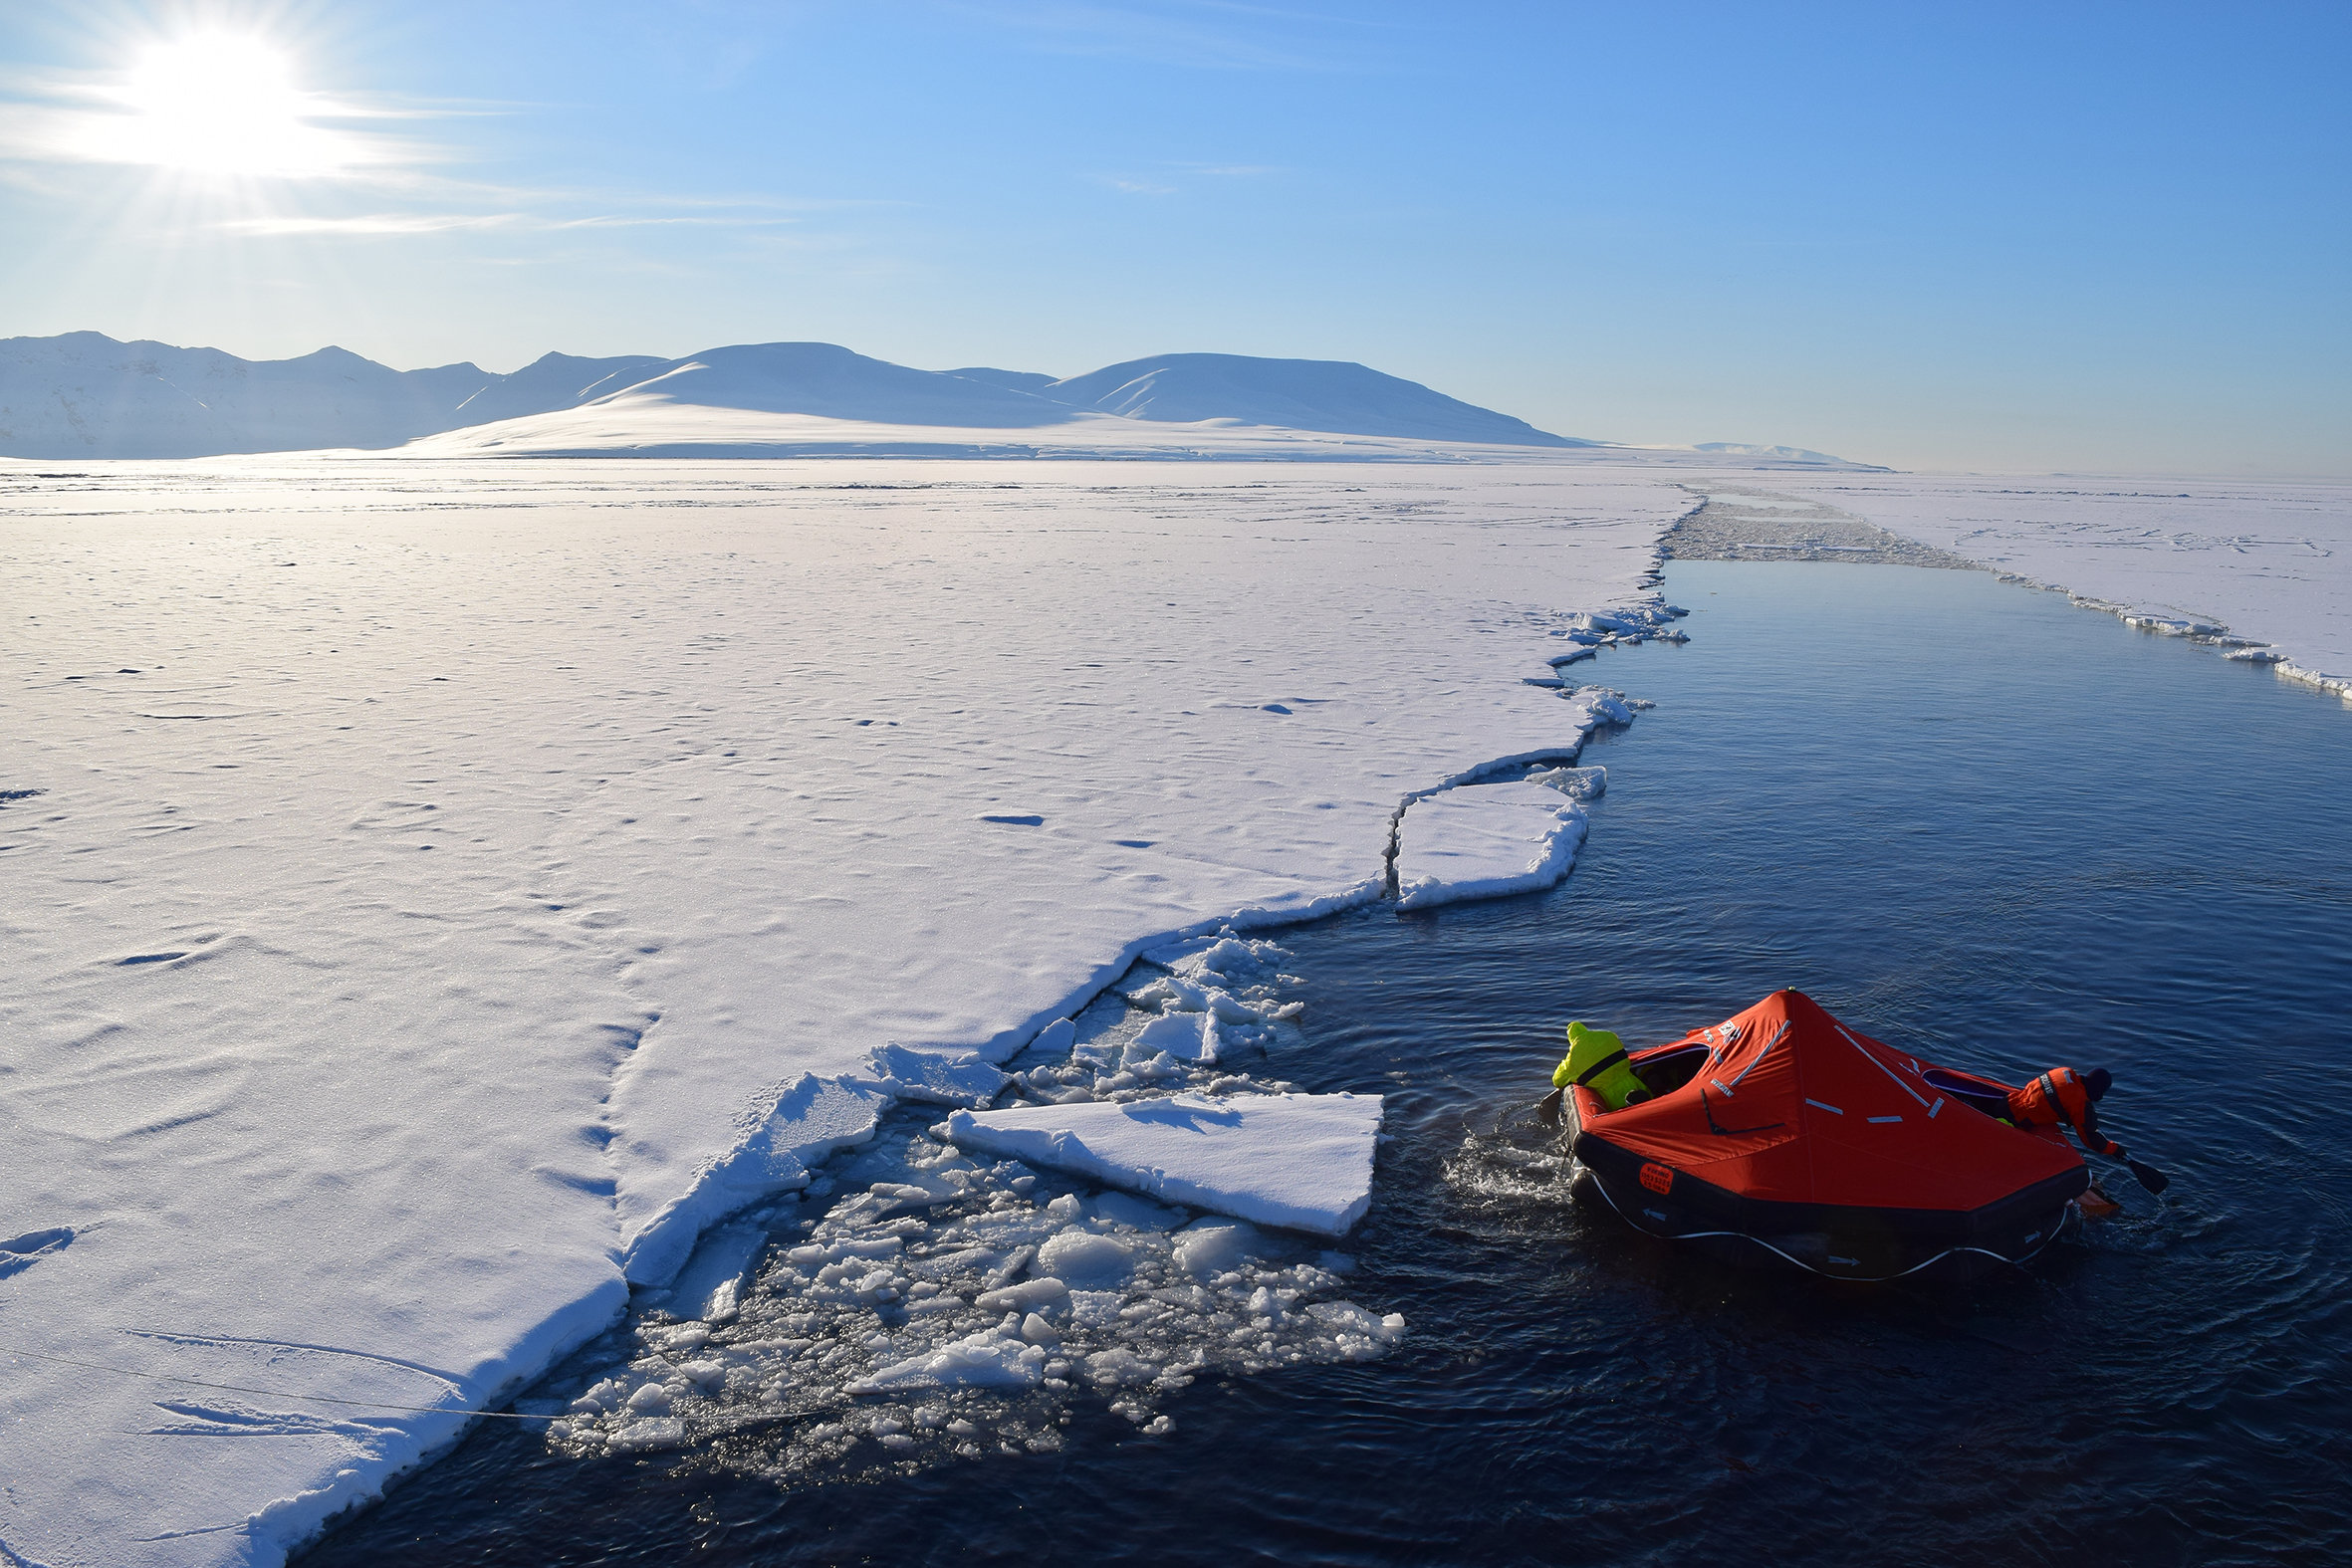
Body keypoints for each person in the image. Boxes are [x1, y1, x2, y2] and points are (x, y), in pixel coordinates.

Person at [1552, 1019, 1650, 1112]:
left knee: (1623, 1109)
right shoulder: (1608, 1036)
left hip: (1610, 1096)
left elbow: (1557, 1080)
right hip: (1633, 1082)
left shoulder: (1573, 1056)